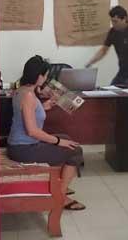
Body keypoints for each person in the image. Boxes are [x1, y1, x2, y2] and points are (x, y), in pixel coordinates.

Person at [7, 55, 86, 211]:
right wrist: (57, 141)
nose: (47, 78)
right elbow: (32, 131)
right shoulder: (29, 96)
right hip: (24, 149)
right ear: (39, 76)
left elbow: (30, 113)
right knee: (75, 150)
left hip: (18, 145)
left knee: (67, 139)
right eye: (46, 75)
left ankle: (59, 185)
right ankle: (60, 196)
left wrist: (47, 105)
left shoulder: (21, 90)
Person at [85, 6, 128, 85]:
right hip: (122, 72)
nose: (113, 24)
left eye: (115, 21)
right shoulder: (113, 32)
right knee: (111, 91)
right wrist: (91, 62)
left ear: (124, 19)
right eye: (112, 21)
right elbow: (104, 50)